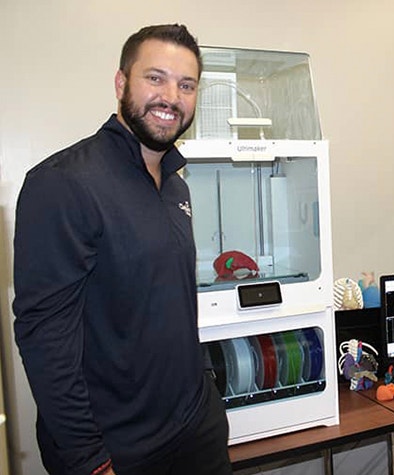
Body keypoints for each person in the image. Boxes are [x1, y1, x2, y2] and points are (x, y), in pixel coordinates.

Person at [13, 24, 233, 475]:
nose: (171, 96)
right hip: (119, 451)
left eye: (186, 84)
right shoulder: (63, 183)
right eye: (155, 78)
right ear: (121, 83)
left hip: (195, 433)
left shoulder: (174, 184)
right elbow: (44, 336)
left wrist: (208, 404)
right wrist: (89, 459)